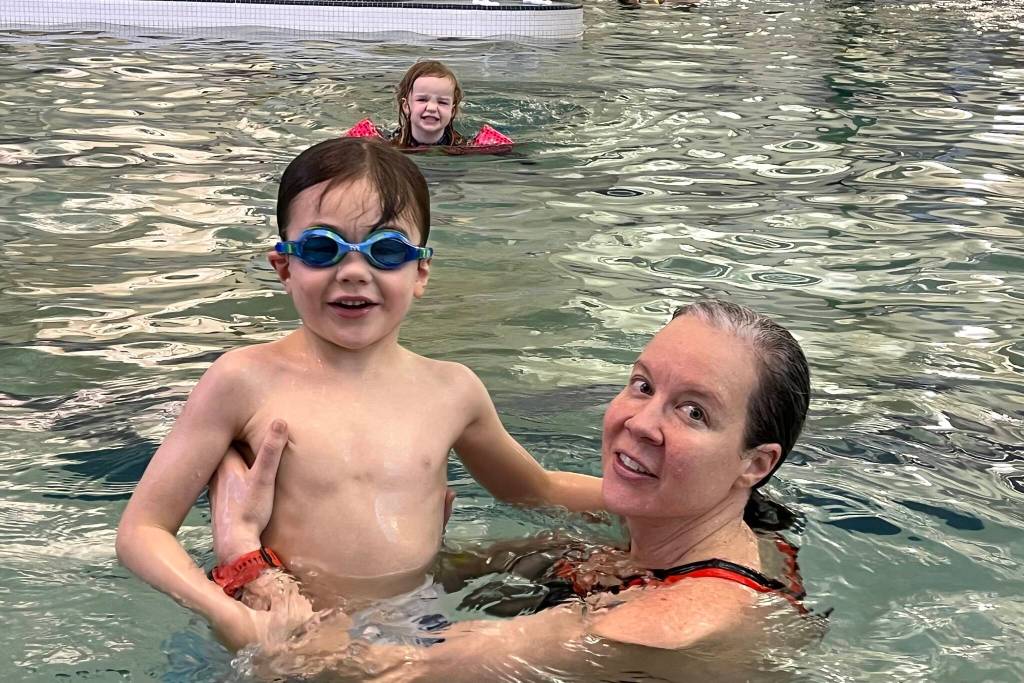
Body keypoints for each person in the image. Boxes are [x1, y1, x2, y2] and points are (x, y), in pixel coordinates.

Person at [115, 136, 602, 652]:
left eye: (386, 250)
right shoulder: (242, 381)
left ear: (420, 271)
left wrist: (661, 506)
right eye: (323, 248)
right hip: (287, 630)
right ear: (284, 265)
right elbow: (143, 531)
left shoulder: (452, 390)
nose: (353, 271)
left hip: (418, 622)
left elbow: (536, 491)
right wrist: (227, 615)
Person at [209, 299, 821, 680]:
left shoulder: (661, 623)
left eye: (693, 413)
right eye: (641, 385)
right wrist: (408, 545)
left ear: (755, 464)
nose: (640, 423)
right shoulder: (717, 544)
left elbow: (319, 671)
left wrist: (244, 556)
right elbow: (506, 526)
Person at [344, 60, 513, 151]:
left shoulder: (464, 147)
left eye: (442, 102)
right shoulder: (384, 145)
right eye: (422, 100)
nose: (432, 107)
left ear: (452, 110)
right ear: (406, 106)